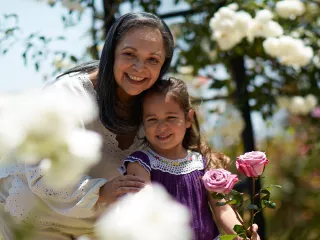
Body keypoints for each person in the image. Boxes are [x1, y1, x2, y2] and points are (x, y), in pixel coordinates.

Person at [0, 12, 174, 239]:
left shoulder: (156, 107)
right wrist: (101, 191)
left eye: (153, 59)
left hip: (93, 229)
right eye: (129, 54)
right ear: (111, 53)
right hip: (33, 219)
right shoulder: (68, 95)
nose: (140, 67)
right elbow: (41, 174)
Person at [122, 78, 261, 240]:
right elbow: (145, 207)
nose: (162, 127)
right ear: (142, 123)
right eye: (152, 119)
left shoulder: (202, 163)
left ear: (188, 119)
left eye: (171, 118)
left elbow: (222, 209)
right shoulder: (140, 163)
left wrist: (243, 235)